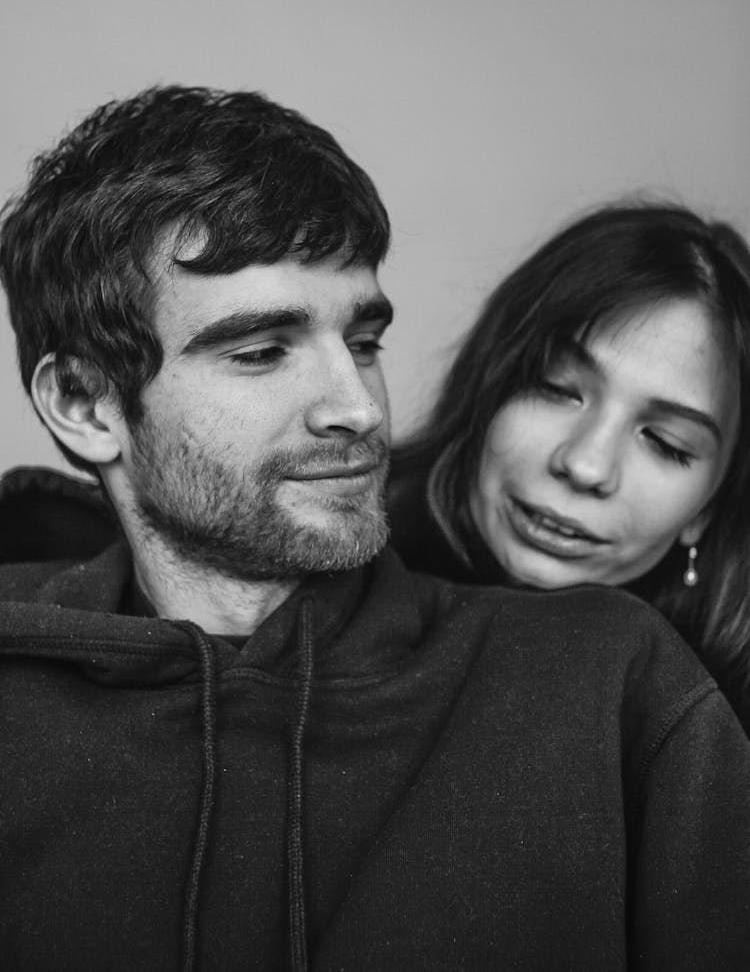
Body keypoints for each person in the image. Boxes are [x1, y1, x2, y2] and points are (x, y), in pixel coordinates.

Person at [1, 90, 750, 972]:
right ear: (86, 403)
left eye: (363, 341)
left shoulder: (614, 674)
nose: (359, 409)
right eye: (259, 351)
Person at [389, 202, 750, 734]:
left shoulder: (713, 731)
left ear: (708, 509)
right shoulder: (311, 582)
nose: (584, 465)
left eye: (667, 443)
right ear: (487, 391)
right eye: (556, 388)